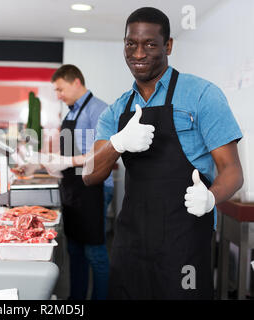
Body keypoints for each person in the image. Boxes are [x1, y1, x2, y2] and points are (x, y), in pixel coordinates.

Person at [82, 7, 244, 300]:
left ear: (168, 45)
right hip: (130, 241)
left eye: (150, 44)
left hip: (184, 242)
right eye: (131, 44)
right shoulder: (117, 110)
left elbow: (232, 171)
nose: (139, 54)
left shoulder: (202, 95)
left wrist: (211, 196)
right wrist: (117, 143)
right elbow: (90, 175)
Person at [21, 64, 113, 300]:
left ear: (76, 82)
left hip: (94, 187)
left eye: (60, 89)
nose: (58, 95)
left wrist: (66, 160)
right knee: (74, 250)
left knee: (95, 253)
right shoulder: (71, 112)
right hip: (73, 188)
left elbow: (103, 155)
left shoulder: (99, 110)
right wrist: (44, 163)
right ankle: (76, 299)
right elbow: (69, 156)